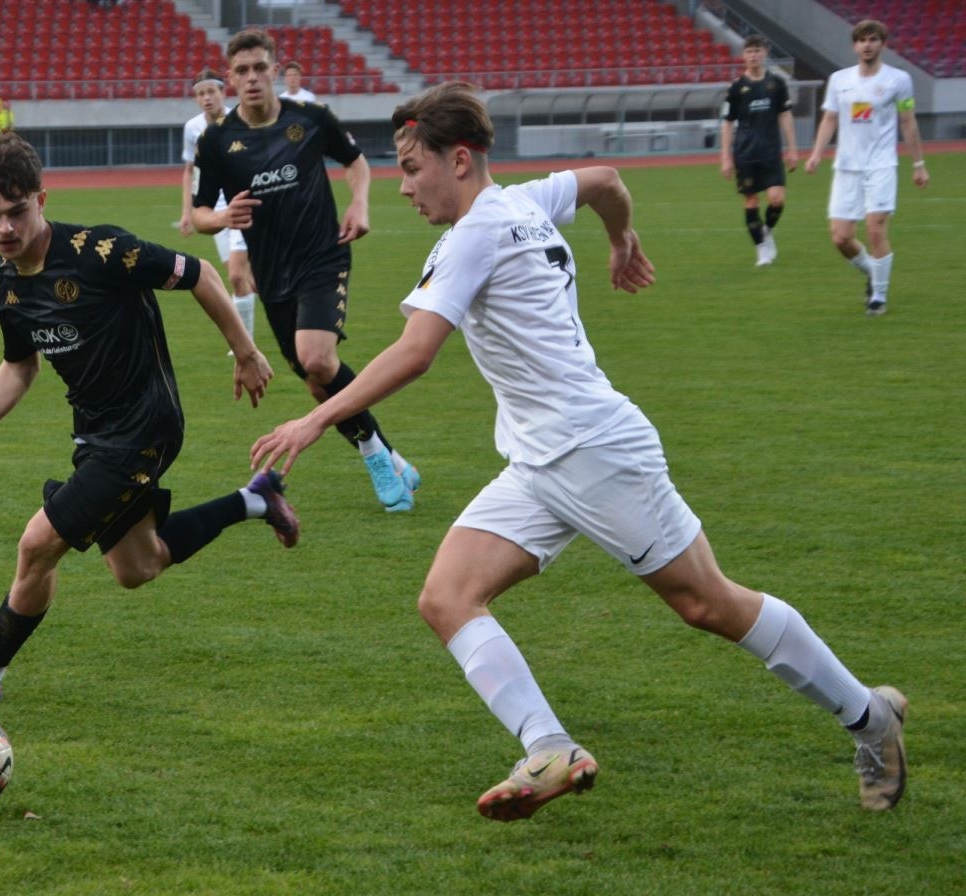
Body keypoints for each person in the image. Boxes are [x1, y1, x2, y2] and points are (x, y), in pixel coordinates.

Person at [251, 82, 908, 822]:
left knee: (708, 602)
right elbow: (605, 182)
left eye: (412, 169)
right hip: (539, 462)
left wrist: (315, 421)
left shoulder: (475, 233)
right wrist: (622, 239)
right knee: (446, 597)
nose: (404, 187)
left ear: (459, 160)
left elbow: (416, 351)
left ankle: (869, 716)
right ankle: (549, 747)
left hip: (596, 451)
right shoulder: (525, 201)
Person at [0, 132, 299, 707]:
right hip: (95, 433)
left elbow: (200, 273)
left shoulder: (101, 251)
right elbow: (20, 367)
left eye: (17, 211)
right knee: (138, 567)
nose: (6, 228)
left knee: (37, 544)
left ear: (41, 199)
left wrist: (245, 352)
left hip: (146, 426)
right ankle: (256, 499)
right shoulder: (4, 284)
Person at [193, 29, 420, 512]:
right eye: (242, 70)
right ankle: (393, 457)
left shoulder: (310, 118)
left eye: (260, 67)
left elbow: (356, 163)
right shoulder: (217, 140)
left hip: (323, 257)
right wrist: (222, 217)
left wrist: (359, 203)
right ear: (231, 78)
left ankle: (375, 457)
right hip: (271, 276)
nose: (252, 78)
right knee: (320, 382)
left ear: (274, 70)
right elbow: (198, 214)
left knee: (316, 359)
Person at [805, 19, 929, 315]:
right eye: (862, 40)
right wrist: (816, 154)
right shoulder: (839, 80)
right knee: (841, 237)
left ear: (882, 44)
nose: (867, 45)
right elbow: (830, 118)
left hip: (881, 165)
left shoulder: (899, 80)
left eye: (873, 39)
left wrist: (919, 164)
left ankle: (878, 297)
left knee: (875, 229)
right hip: (847, 167)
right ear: (855, 46)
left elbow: (907, 121)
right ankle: (875, 273)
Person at [178, 68, 258, 349]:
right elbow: (190, 171)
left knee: (236, 275)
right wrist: (187, 211)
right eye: (201, 94)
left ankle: (244, 346)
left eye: (211, 91)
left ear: (223, 92)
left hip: (241, 203)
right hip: (214, 210)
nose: (206, 98)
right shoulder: (193, 128)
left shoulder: (242, 120)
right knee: (245, 279)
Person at [720, 34, 797, 267]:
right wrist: (725, 157)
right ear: (744, 55)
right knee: (751, 201)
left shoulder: (777, 83)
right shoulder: (736, 88)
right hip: (745, 154)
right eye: (749, 51)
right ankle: (761, 249)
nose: (753, 55)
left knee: (777, 199)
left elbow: (785, 115)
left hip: (771, 152)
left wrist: (792, 148)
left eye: (757, 50)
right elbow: (727, 123)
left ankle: (767, 230)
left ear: (765, 53)